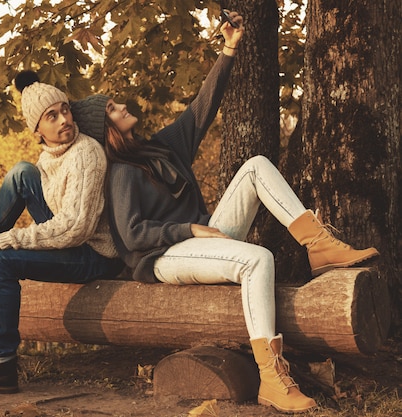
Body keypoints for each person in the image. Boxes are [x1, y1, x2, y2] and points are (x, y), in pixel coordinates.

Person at [75, 11, 379, 414]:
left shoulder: (161, 148)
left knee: (254, 165)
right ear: (106, 130)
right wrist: (192, 230)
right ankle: (271, 377)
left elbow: (204, 105)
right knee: (258, 259)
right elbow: (132, 236)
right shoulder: (121, 173)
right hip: (164, 258)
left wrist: (229, 48)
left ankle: (317, 243)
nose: (123, 106)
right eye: (113, 109)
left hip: (200, 239)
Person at [0, 72, 123, 393]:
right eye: (52, 116)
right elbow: (57, 218)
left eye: (65, 110)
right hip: (69, 235)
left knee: (2, 262)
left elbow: (75, 228)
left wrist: (6, 240)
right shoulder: (48, 157)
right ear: (37, 130)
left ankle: (2, 366)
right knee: (21, 173)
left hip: (94, 253)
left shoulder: (86, 155)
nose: (64, 119)